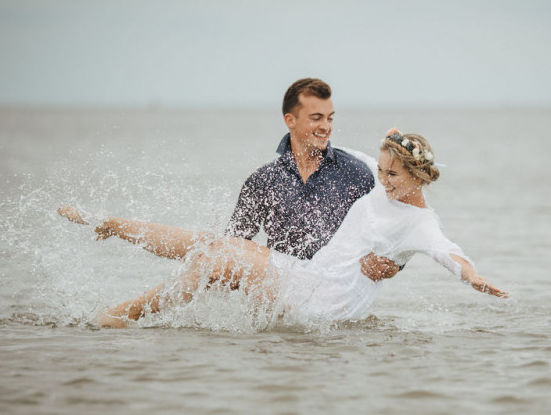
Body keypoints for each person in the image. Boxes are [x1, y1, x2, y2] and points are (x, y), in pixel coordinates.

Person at [59, 129, 508, 328]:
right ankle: (113, 225)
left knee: (217, 256)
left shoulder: (420, 223)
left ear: (417, 177)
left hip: (326, 303)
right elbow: (363, 155)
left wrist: (473, 277)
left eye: (393, 175)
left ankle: (126, 316)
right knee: (216, 244)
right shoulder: (379, 178)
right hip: (305, 275)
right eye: (383, 170)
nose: (383, 180)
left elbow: (448, 252)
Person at [59, 78, 401, 283]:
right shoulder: (263, 181)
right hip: (280, 289)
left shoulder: (355, 173)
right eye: (316, 118)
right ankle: (116, 229)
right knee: (211, 250)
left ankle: (115, 236)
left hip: (333, 294)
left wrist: (390, 264)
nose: (326, 126)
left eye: (329, 118)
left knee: (213, 250)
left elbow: (399, 225)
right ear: (290, 120)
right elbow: (233, 248)